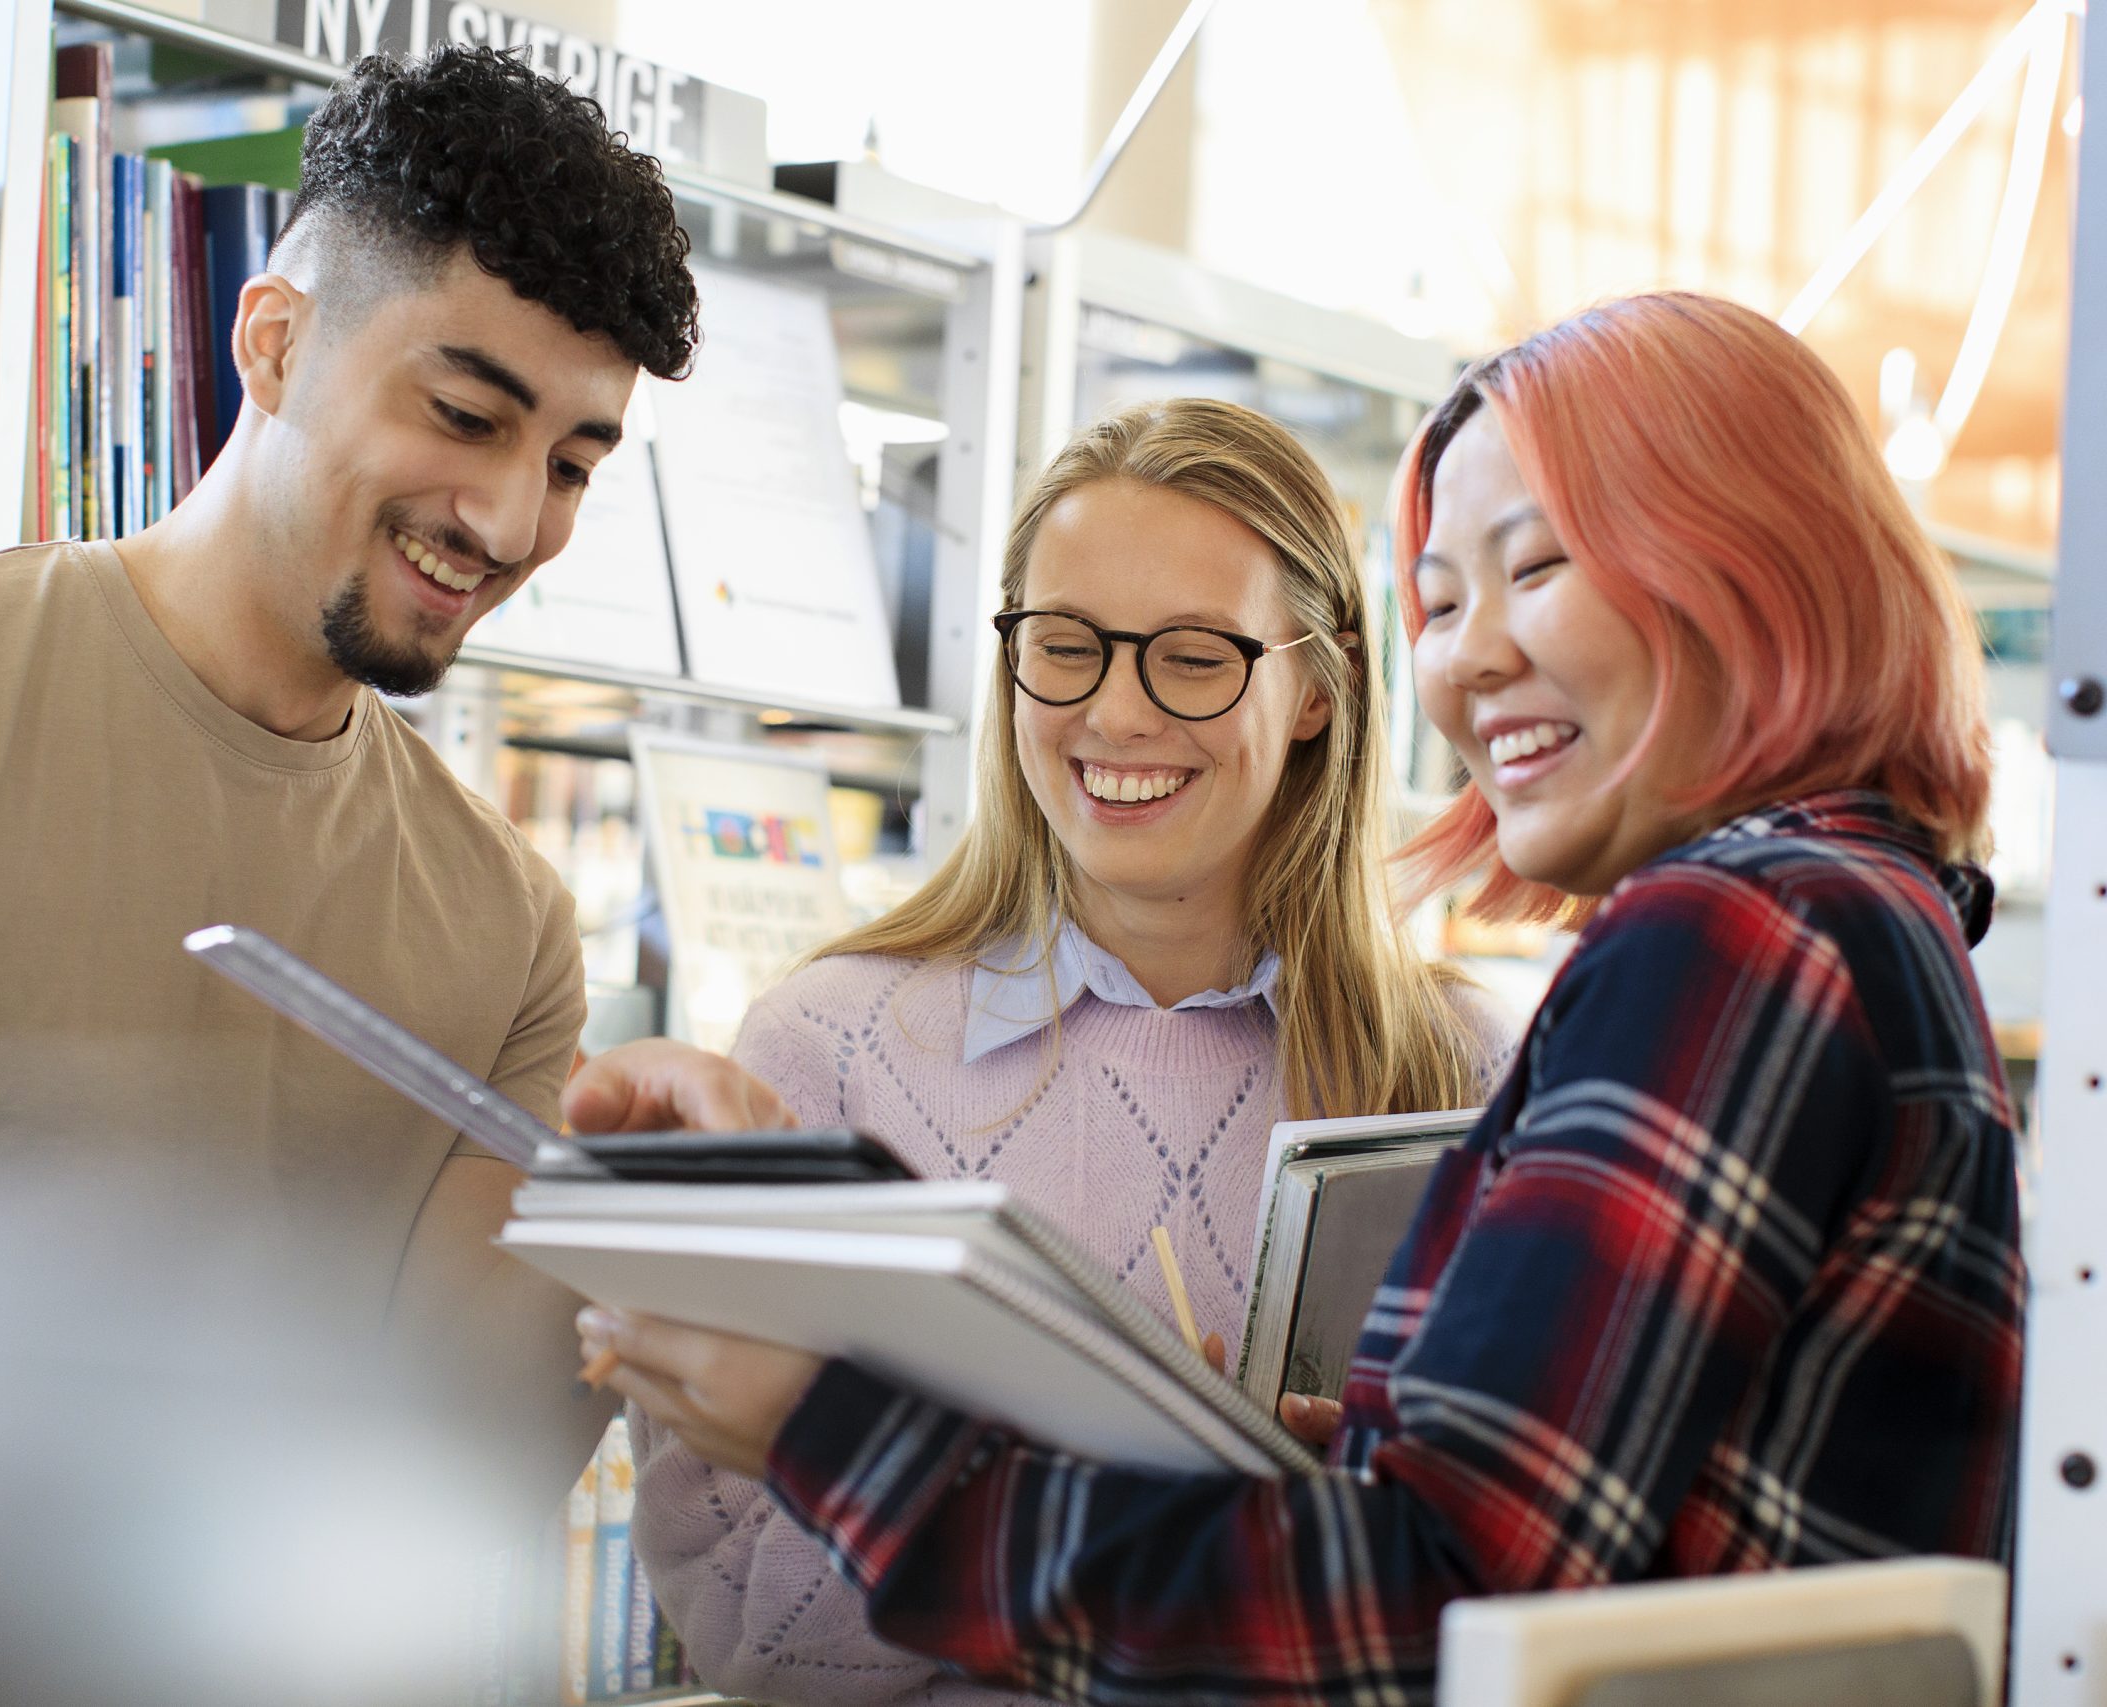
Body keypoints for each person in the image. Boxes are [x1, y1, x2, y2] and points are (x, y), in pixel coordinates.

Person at [573, 292, 2025, 1704]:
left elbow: (1427, 1604)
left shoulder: (1732, 938)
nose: (1471, 656)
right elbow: (1543, 1551)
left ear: (1744, 560)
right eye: (1441, 600)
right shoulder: (1861, 913)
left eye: (1534, 571)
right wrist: (1311, 1483)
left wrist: (847, 1440)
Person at [0, 46, 698, 1526]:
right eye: (468, 417)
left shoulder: (513, 929)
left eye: (572, 464)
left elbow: (440, 1488)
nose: (506, 518)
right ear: (276, 344)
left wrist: (647, 1235)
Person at [625, 399, 1516, 1706]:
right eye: (1067, 646)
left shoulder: (1463, 1075)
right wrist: (1139, 1510)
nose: (1115, 713)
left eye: (1196, 657)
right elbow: (745, 1623)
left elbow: (1505, 1582)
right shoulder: (824, 1048)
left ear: (1321, 685)